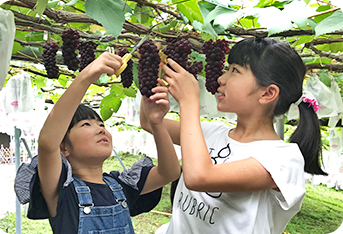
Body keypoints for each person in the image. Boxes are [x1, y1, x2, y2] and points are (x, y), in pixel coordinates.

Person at [140, 37, 327, 234]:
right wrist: (153, 71)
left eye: (235, 70)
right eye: (227, 69)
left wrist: (189, 101)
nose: (221, 78)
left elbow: (198, 177)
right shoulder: (211, 132)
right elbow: (149, 123)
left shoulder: (283, 159)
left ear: (267, 94)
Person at [26, 51, 181, 233]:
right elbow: (47, 142)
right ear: (64, 147)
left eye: (101, 124)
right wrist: (86, 77)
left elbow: (169, 172)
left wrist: (156, 122)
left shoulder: (120, 185)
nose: (100, 128)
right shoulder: (62, 191)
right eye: (86, 124)